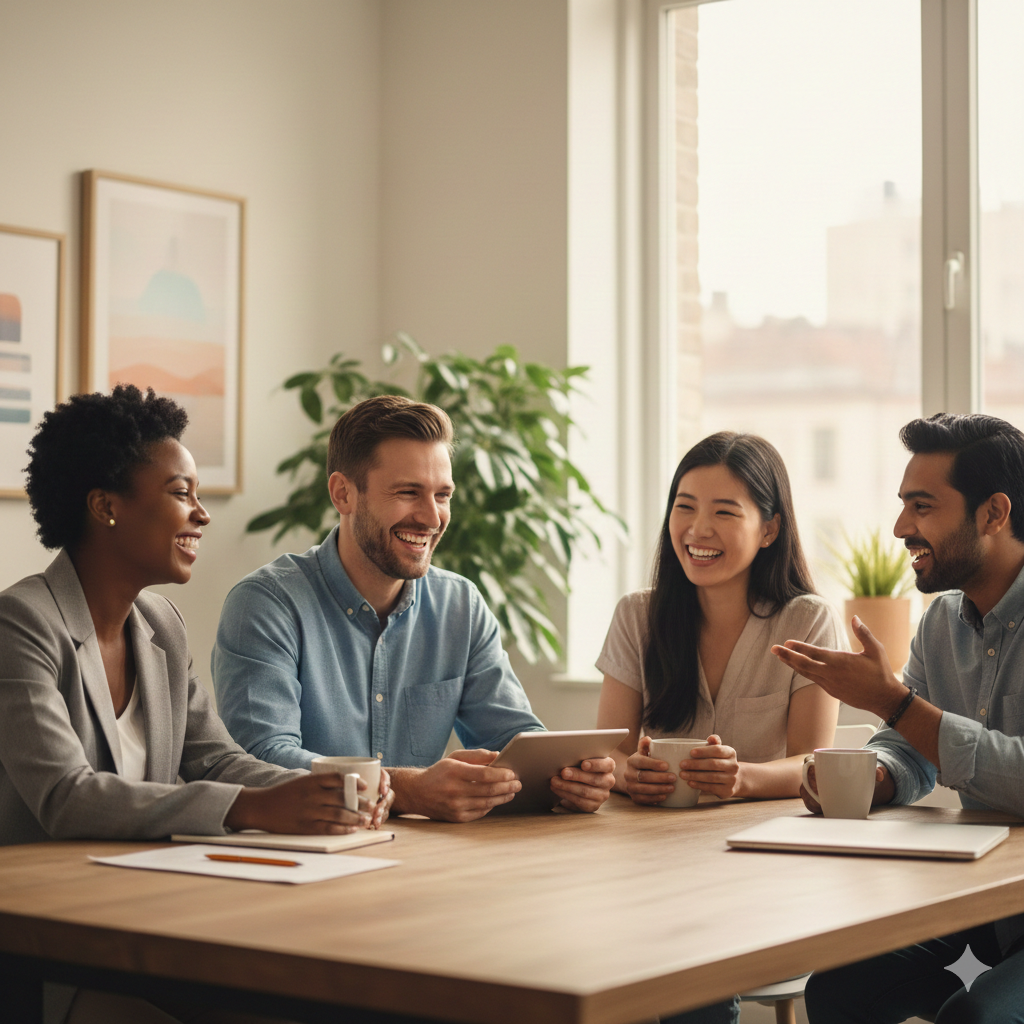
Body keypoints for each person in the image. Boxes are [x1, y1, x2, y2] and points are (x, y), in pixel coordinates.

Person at [1, 385, 390, 1023]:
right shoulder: (21, 624)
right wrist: (256, 807)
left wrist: (328, 788)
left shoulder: (160, 623)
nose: (202, 515)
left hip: (153, 915)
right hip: (52, 948)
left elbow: (217, 759)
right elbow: (66, 798)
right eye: (181, 493)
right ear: (106, 507)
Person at [212, 394, 615, 821]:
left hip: (425, 862)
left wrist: (569, 777)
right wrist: (404, 790)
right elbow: (259, 761)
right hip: (304, 859)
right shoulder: (265, 603)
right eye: (408, 492)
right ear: (343, 494)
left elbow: (515, 739)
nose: (431, 517)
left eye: (443, 495)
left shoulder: (460, 605)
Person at [771, 412, 1024, 1024]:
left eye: (923, 506)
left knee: (977, 1018)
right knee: (839, 989)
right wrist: (876, 776)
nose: (899, 527)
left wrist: (894, 702)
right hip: (984, 896)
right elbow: (909, 747)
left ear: (994, 513)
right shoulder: (941, 624)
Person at [595, 432, 842, 1024]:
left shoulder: (807, 619)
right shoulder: (638, 615)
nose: (697, 529)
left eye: (724, 512)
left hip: (760, 868)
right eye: (685, 506)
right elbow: (608, 753)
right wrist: (635, 776)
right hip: (649, 863)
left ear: (771, 528)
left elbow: (817, 765)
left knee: (688, 950)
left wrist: (742, 779)